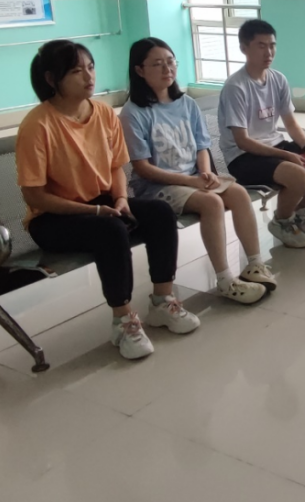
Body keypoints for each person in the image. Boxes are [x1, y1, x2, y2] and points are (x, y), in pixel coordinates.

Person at [16, 40, 196, 361]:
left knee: (159, 212)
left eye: (91, 67)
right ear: (51, 79)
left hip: (100, 202)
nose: (89, 76)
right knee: (110, 230)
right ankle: (123, 321)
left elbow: (116, 167)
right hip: (52, 217)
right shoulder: (37, 125)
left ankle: (162, 302)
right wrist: (96, 210)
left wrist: (120, 198)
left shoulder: (101, 112)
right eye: (76, 71)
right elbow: (35, 195)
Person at [120, 38, 274, 305]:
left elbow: (202, 146)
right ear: (139, 70)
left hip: (193, 178)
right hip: (157, 187)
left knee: (238, 193)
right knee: (212, 203)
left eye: (171, 62)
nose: (167, 69)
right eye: (157, 64)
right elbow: (143, 168)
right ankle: (225, 279)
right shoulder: (133, 113)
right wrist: (191, 182)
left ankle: (255, 264)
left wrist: (205, 173)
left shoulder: (186, 103)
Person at [219, 19, 305, 249]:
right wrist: (288, 156)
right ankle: (282, 221)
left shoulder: (277, 79)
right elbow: (242, 141)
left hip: (275, 145)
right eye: (261, 46)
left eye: (272, 45)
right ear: (244, 48)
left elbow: (290, 123)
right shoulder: (236, 87)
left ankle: (301, 212)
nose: (269, 52)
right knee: (297, 174)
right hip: (243, 158)